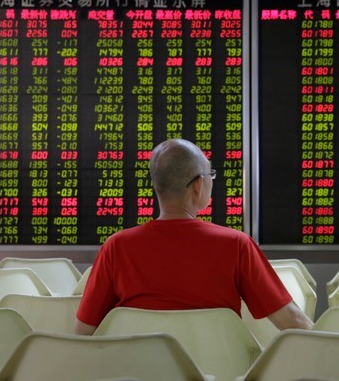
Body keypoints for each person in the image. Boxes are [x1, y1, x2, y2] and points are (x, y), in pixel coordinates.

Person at [75, 138, 313, 335]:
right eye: (210, 175)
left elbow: (83, 333)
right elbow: (290, 320)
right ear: (198, 185)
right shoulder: (236, 245)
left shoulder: (117, 247)